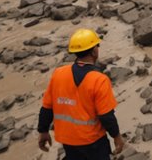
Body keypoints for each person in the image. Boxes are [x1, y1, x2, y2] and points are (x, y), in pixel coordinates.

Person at [38, 29, 126, 159]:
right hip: (93, 142)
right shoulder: (99, 80)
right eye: (97, 45)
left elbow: (47, 107)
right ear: (94, 51)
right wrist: (117, 137)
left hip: (68, 141)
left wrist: (43, 131)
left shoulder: (58, 74)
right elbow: (106, 116)